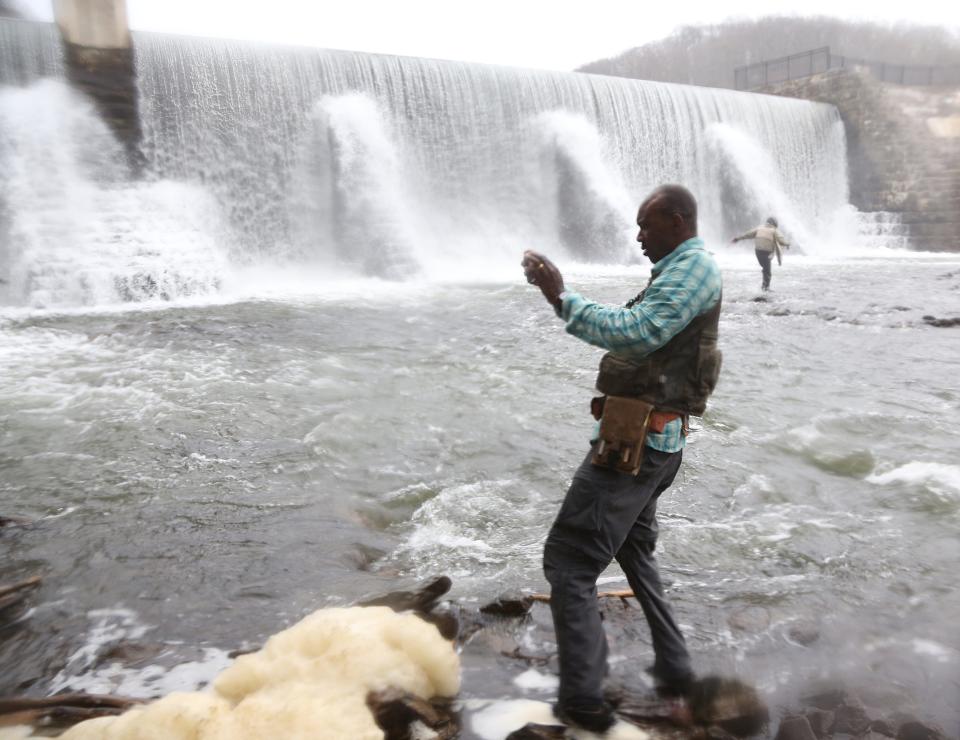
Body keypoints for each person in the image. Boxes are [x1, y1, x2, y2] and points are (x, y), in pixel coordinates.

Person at [522, 184, 722, 735]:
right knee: (634, 551)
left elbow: (640, 333)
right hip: (653, 444)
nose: (638, 236)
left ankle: (584, 701)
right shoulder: (680, 269)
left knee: (570, 562)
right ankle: (676, 668)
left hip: (634, 450)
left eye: (647, 225)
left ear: (679, 221)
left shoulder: (693, 269)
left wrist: (562, 299)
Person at [731, 217, 790, 291]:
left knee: (765, 268)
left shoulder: (759, 228)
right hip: (766, 252)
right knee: (767, 270)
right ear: (775, 224)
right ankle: (765, 288)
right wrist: (787, 244)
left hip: (758, 252)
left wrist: (737, 238)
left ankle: (764, 286)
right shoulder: (774, 231)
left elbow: (747, 234)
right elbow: (781, 241)